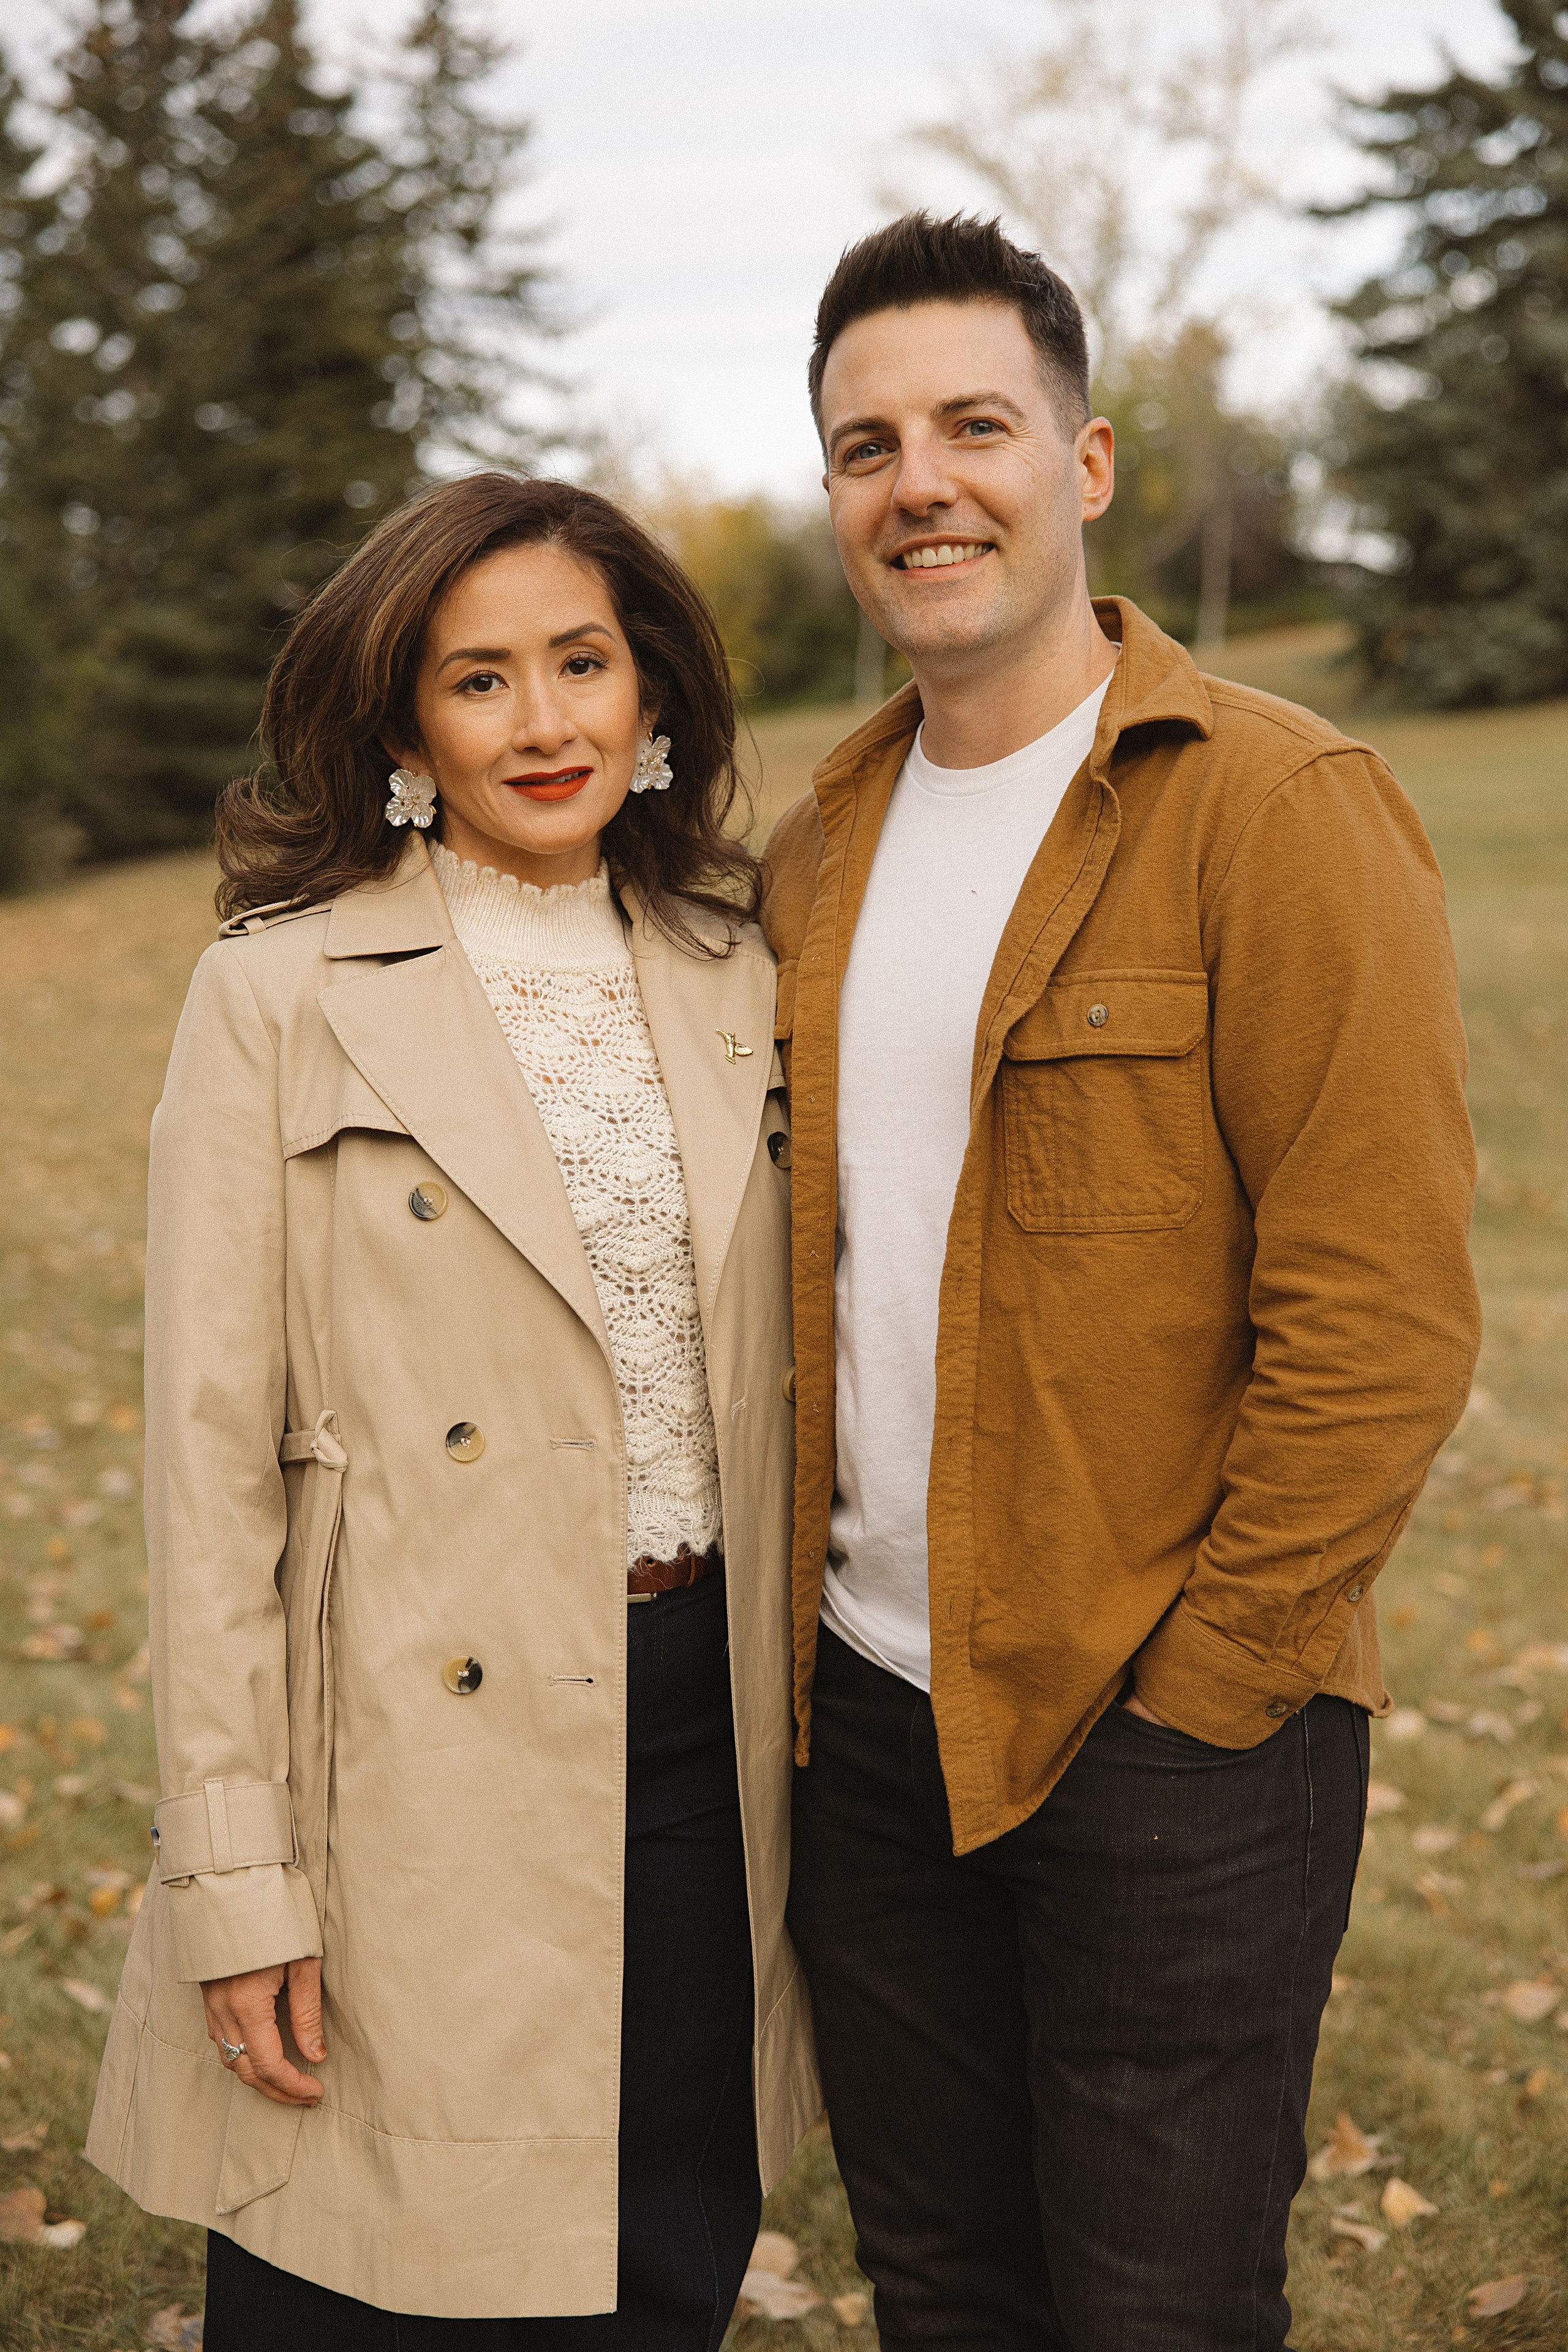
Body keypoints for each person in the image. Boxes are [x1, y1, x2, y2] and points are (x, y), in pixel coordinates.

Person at [761, 212, 1480, 2352]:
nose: (922, 483)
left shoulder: (1274, 808)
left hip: (1168, 1733)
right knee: (956, 2291)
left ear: (1082, 466)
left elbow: (1383, 1321)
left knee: (1158, 2308)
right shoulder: (814, 847)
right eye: (867, 444)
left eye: (976, 425)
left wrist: (1213, 1686)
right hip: (867, 1725)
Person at [86, 473, 818, 2348]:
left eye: (583, 662)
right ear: (405, 724)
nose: (546, 720)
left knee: (650, 2268)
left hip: (698, 1732)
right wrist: (237, 1882)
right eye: (479, 679)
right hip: (404, 1774)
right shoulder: (279, 994)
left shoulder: (750, 973)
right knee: (378, 2284)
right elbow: (205, 1476)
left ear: (655, 694)